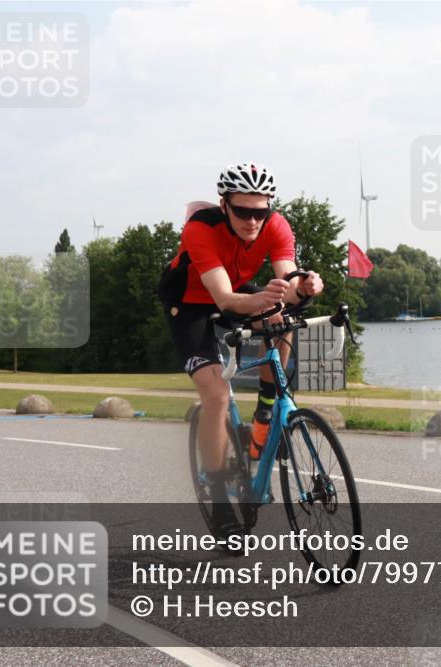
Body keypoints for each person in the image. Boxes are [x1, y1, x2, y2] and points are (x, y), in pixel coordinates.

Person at [158, 162, 323, 541]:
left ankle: (266, 410)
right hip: (189, 302)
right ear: (224, 205)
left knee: (280, 318)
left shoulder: (276, 225)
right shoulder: (201, 228)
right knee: (216, 395)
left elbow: (288, 280)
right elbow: (225, 299)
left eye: (260, 212)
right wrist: (271, 298)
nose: (252, 221)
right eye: (242, 211)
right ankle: (218, 498)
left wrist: (305, 287)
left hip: (235, 289)